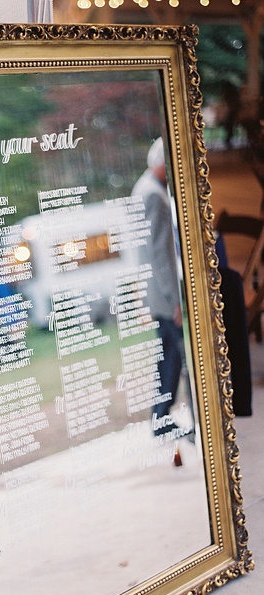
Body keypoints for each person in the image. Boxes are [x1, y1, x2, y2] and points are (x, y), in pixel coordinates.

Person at [132, 137, 185, 440]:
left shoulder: (143, 187)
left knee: (167, 353)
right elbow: (160, 254)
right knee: (174, 354)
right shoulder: (154, 194)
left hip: (154, 290)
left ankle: (160, 416)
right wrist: (173, 299)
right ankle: (162, 417)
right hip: (163, 293)